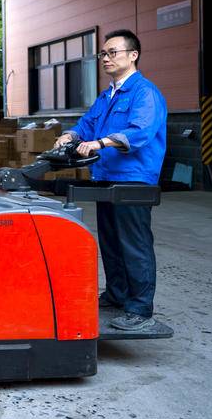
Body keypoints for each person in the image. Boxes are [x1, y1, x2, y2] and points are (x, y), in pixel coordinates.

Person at [54, 29, 167, 331]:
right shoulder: (107, 96)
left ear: (133, 55)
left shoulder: (145, 93)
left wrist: (100, 143)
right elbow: (87, 123)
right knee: (111, 241)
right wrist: (70, 135)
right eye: (103, 53)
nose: (105, 58)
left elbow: (140, 131)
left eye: (112, 52)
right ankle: (117, 295)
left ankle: (140, 308)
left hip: (134, 180)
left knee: (134, 244)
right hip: (105, 177)